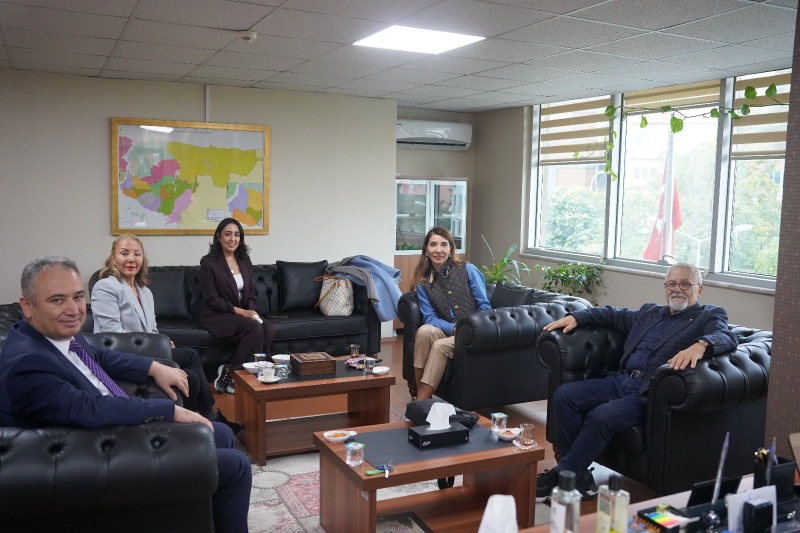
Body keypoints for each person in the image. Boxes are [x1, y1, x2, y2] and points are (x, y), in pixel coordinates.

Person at [0, 257, 251, 533]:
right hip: (87, 458)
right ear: (27, 306)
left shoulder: (53, 335)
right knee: (237, 465)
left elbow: (101, 355)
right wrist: (169, 411)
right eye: (57, 300)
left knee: (222, 435)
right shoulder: (27, 363)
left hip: (96, 434)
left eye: (78, 297)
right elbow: (88, 409)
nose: (73, 309)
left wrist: (152, 366)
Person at [536, 262, 738, 501]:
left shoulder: (708, 315)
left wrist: (700, 345)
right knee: (564, 395)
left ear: (699, 289)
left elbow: (726, 336)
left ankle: (562, 476)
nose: (677, 289)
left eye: (685, 284)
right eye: (671, 284)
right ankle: (579, 479)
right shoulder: (649, 312)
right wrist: (577, 317)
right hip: (619, 381)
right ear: (665, 287)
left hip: (649, 392)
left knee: (602, 416)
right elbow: (612, 314)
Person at [91, 234, 240, 433]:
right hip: (122, 355)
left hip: (145, 350)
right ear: (113, 258)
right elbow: (112, 336)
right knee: (191, 366)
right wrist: (156, 345)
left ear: (143, 259)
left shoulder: (144, 291)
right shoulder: (106, 287)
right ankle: (206, 418)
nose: (131, 259)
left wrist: (162, 341)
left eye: (137, 254)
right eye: (124, 253)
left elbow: (151, 330)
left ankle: (199, 423)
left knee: (191, 366)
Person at [411, 226, 491, 401]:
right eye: (433, 244)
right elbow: (430, 317)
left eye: (443, 245)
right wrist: (452, 328)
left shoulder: (468, 269)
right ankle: (421, 397)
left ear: (451, 249)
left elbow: (485, 308)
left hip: (473, 331)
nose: (438, 250)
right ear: (426, 249)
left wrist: (465, 327)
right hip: (448, 329)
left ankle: (420, 404)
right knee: (424, 332)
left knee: (440, 346)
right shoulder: (423, 281)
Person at [200, 217, 275, 394]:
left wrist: (251, 310)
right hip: (217, 314)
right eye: (228, 234)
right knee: (254, 328)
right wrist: (242, 312)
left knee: (268, 329)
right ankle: (229, 375)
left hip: (241, 313)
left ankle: (253, 373)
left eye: (236, 235)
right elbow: (212, 299)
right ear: (218, 236)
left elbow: (251, 292)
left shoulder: (244, 260)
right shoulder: (209, 262)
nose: (232, 239)